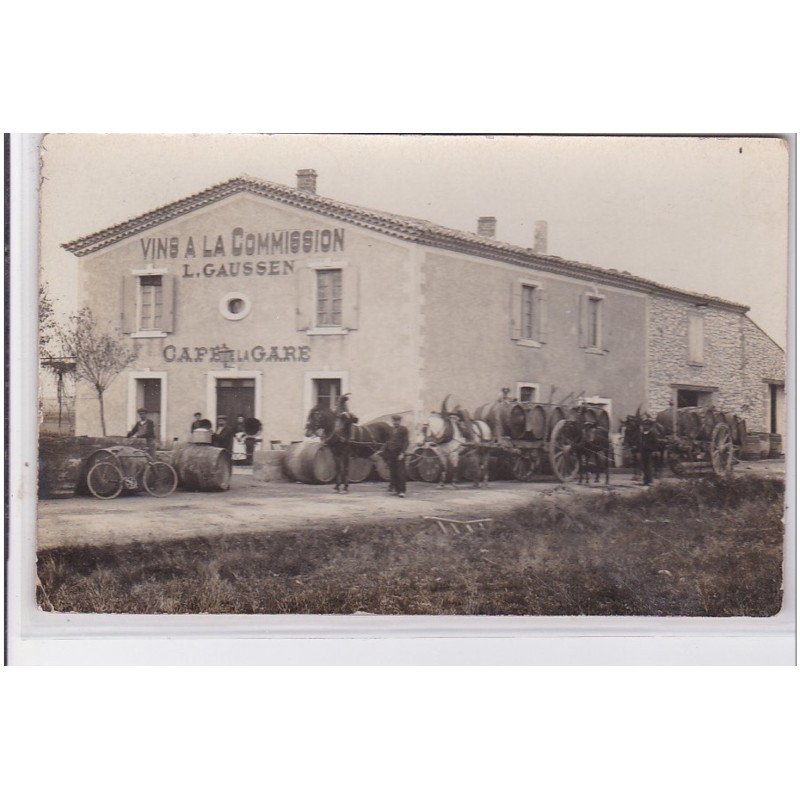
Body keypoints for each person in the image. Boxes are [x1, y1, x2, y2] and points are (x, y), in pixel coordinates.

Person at [380, 414, 409, 497]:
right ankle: (397, 490)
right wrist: (382, 450)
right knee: (393, 472)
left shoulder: (404, 429)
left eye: (397, 421)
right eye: (394, 421)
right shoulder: (390, 429)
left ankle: (402, 491)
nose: (395, 422)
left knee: (400, 472)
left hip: (399, 453)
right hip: (390, 453)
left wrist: (402, 453)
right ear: (392, 421)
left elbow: (406, 442)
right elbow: (387, 441)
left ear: (400, 421)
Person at [639, 414, 659, 486]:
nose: (645, 427)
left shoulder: (653, 433)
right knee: (643, 466)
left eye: (647, 425)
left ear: (650, 426)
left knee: (649, 466)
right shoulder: (642, 433)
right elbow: (641, 442)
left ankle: (649, 480)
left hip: (649, 451)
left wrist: (654, 451)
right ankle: (645, 480)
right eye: (644, 425)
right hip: (643, 451)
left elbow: (655, 442)